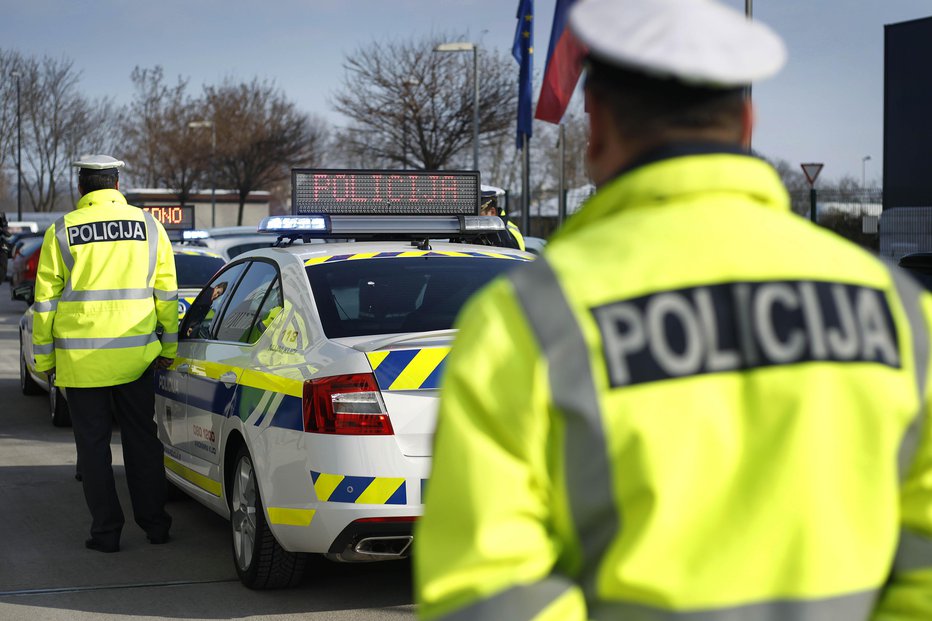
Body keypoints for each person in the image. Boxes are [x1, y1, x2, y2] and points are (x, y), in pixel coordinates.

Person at [414, 0, 932, 619]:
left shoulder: (526, 322)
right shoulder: (898, 310)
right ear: (746, 123)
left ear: (597, 127)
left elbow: (488, 591)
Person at [32, 154, 178, 554]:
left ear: (81, 189)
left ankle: (106, 533)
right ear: (117, 186)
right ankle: (156, 525)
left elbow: (44, 302)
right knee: (142, 441)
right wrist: (168, 346)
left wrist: (45, 361)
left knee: (93, 449)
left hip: (82, 364)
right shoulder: (150, 226)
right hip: (136, 359)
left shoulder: (61, 231)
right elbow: (166, 292)